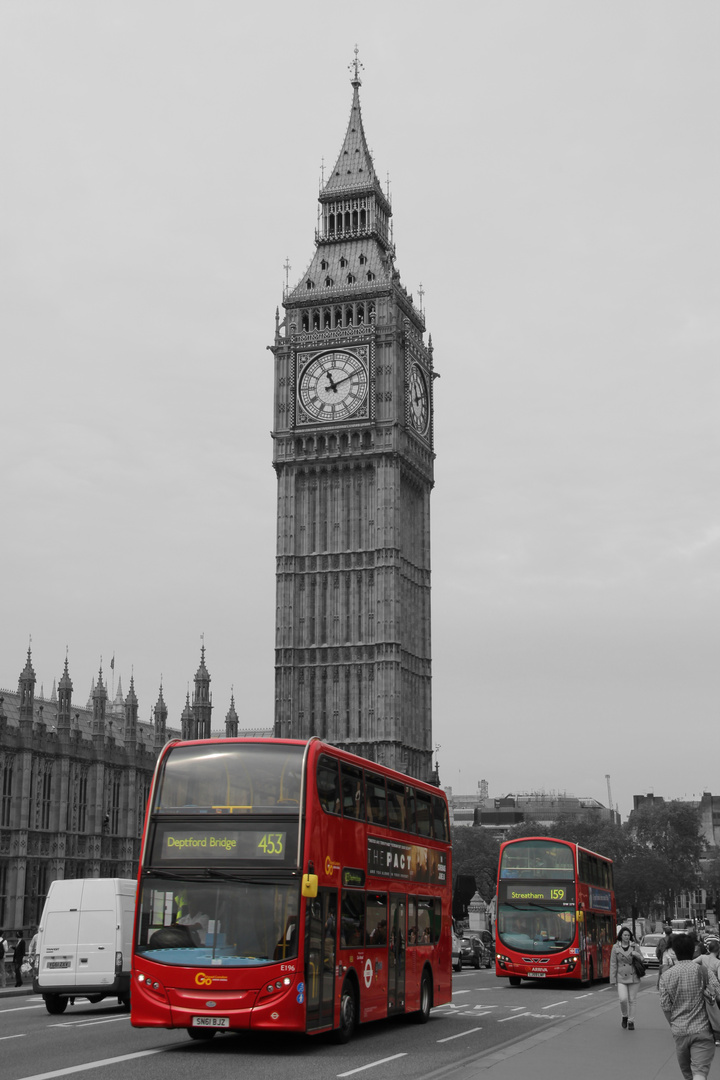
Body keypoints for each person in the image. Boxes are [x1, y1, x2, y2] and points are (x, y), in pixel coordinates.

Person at [660, 932, 720, 1080]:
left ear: (674, 951)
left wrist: (674, 1025)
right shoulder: (704, 972)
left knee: (688, 1075)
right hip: (703, 1030)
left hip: (680, 1032)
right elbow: (717, 993)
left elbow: (666, 1006)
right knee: (699, 1072)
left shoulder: (666, 976)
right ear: (693, 950)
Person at [609, 926, 644, 1030]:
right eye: (625, 935)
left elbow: (642, 959)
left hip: (634, 976)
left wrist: (636, 954)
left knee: (632, 1000)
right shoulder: (615, 947)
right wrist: (613, 979)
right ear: (621, 936)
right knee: (623, 999)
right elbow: (613, 964)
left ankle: (631, 1021)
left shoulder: (635, 946)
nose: (627, 937)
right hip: (621, 977)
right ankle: (624, 1016)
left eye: (628, 935)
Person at [694, 940, 720, 1044]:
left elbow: (692, 963)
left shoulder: (703, 957)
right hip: (713, 988)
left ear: (708, 949)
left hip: (701, 986)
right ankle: (717, 1036)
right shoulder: (718, 962)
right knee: (714, 1011)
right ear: (718, 951)